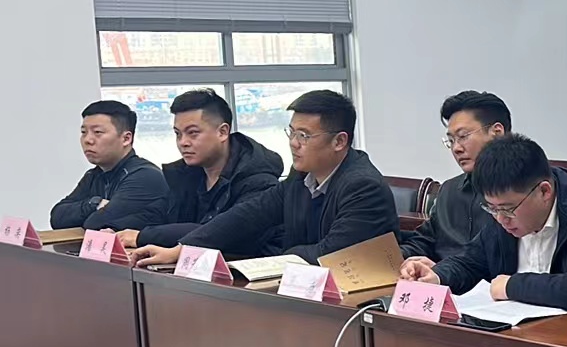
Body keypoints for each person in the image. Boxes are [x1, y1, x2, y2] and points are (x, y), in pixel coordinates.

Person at [132, 90, 397, 267]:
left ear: (339, 141)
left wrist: (273, 260)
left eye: (304, 136)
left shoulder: (362, 186)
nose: (293, 143)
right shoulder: (300, 176)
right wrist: (182, 249)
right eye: (291, 132)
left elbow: (332, 254)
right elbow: (249, 214)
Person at [399, 133, 567, 309]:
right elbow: (471, 261)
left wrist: (511, 286)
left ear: (544, 191)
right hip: (521, 332)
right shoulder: (502, 212)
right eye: (492, 209)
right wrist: (437, 276)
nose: (500, 219)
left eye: (508, 209)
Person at [114, 90, 284, 255]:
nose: (183, 142)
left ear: (222, 132)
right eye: (178, 134)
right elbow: (159, 212)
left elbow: (217, 232)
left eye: (193, 133)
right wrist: (114, 230)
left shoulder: (258, 181)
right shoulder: (188, 174)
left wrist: (142, 236)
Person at [400, 91, 511, 271]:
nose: (456, 148)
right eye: (451, 140)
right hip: (441, 280)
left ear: (497, 133)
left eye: (463, 136)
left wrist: (442, 271)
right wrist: (401, 258)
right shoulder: (449, 190)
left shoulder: (521, 195)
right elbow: (425, 241)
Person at [50, 100, 169, 232]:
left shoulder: (145, 176)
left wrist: (85, 213)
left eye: (97, 132)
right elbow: (57, 217)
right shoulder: (94, 175)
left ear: (126, 139)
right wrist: (95, 203)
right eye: (84, 132)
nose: (88, 140)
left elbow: (96, 223)